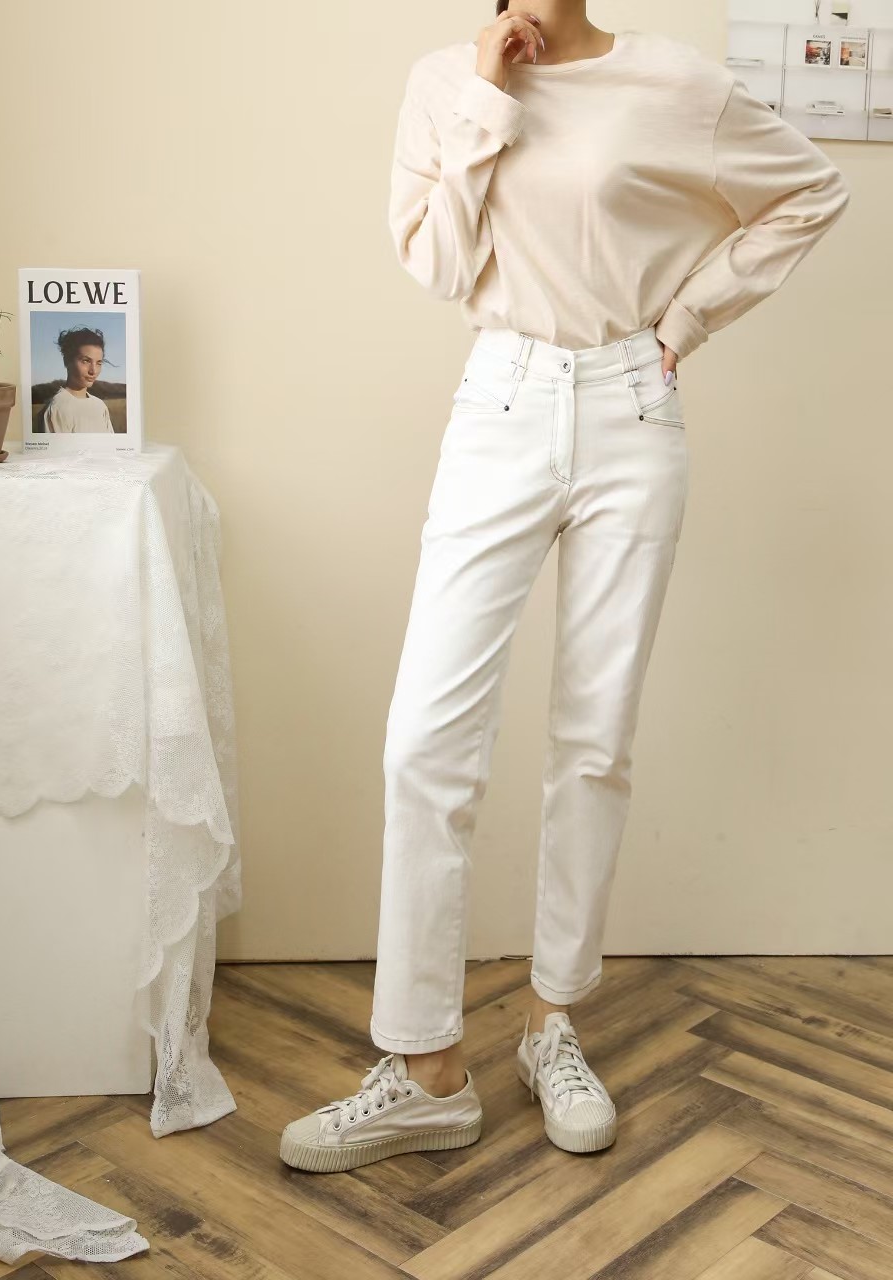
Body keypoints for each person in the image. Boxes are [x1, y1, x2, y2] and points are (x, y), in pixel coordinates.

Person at [279, 1, 850, 1173]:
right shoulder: (446, 81)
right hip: (499, 401)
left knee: (594, 740)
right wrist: (490, 90)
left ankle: (552, 1022)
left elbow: (810, 190)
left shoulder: (674, 84)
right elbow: (440, 262)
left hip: (632, 407)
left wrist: (687, 316)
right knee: (425, 741)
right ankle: (427, 1068)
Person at [41, 327, 115, 433]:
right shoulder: (57, 408)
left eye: (99, 363)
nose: (93, 371)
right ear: (67, 361)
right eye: (86, 361)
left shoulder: (100, 406)